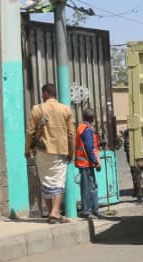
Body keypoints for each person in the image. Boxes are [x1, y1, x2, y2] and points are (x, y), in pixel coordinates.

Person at [26, 83, 75, 223]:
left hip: (42, 150)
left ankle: (50, 213)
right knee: (59, 181)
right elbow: (71, 133)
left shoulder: (37, 109)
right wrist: (72, 152)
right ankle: (55, 212)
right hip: (59, 151)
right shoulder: (65, 109)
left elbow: (30, 132)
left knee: (45, 181)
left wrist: (27, 149)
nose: (42, 96)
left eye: (43, 93)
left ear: (47, 93)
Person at [74, 108, 102, 219]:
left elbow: (91, 145)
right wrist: (96, 162)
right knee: (88, 188)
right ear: (92, 118)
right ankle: (87, 211)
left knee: (93, 186)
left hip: (86, 163)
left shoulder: (83, 128)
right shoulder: (86, 129)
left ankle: (95, 210)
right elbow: (89, 148)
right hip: (86, 163)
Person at [122, 128, 143, 203]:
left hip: (133, 157)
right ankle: (138, 192)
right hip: (136, 155)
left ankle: (139, 194)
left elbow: (126, 149)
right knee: (137, 174)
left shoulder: (127, 134)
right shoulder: (133, 133)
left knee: (135, 174)